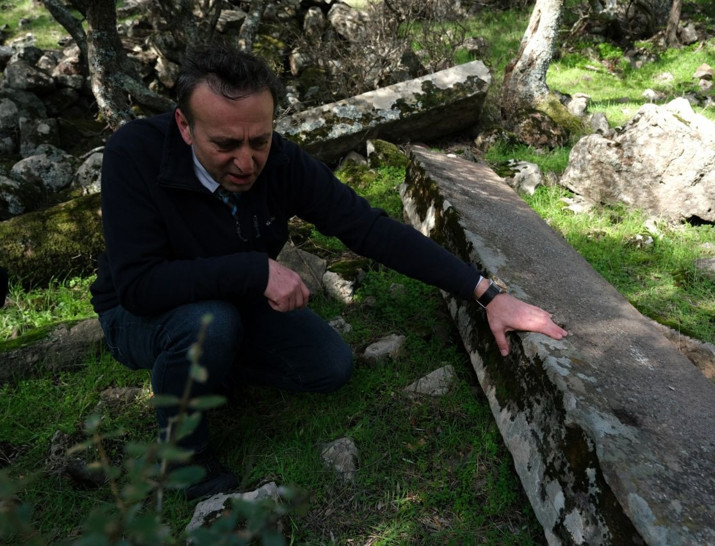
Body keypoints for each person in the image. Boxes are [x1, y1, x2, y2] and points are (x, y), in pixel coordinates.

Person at [90, 45, 567, 500]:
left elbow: (369, 229)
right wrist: (253, 269)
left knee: (327, 366)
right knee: (208, 324)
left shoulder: (281, 162)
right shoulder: (135, 153)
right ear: (184, 125)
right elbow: (138, 286)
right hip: (139, 315)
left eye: (260, 140)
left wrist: (487, 294)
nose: (246, 162)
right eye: (225, 144)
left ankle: (214, 363)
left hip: (234, 299)